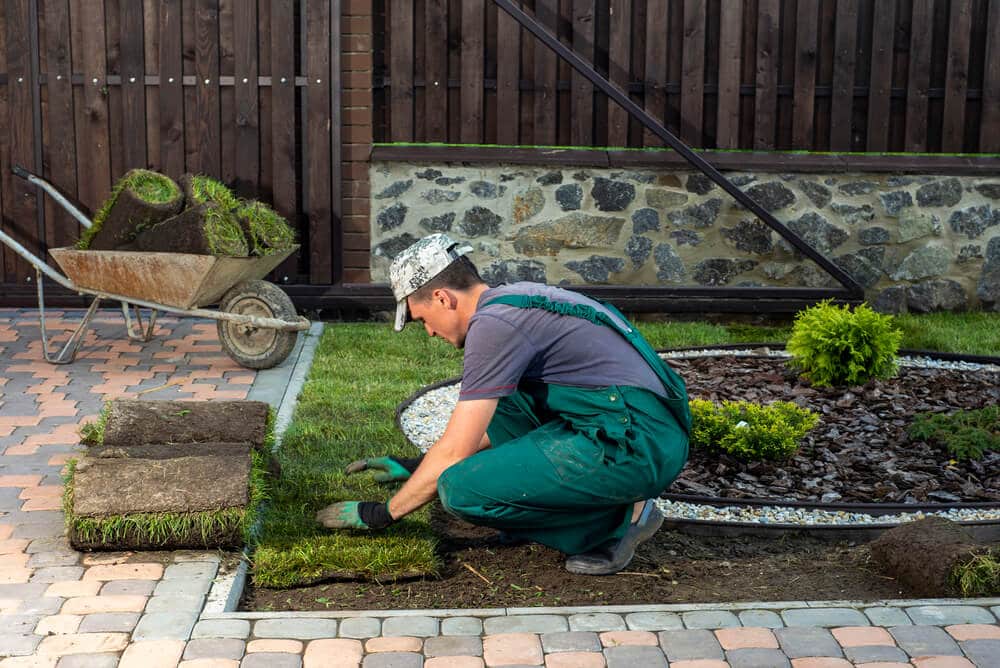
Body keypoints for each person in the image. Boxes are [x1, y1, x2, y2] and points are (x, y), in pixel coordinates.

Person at [316, 233, 691, 575]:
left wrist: (381, 514)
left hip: (637, 444)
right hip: (631, 427)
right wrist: (415, 467)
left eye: (421, 319)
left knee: (461, 490)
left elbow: (453, 454)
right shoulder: (510, 301)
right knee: (506, 401)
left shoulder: (496, 328)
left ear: (443, 298)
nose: (429, 331)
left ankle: (621, 521)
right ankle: (603, 506)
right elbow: (482, 429)